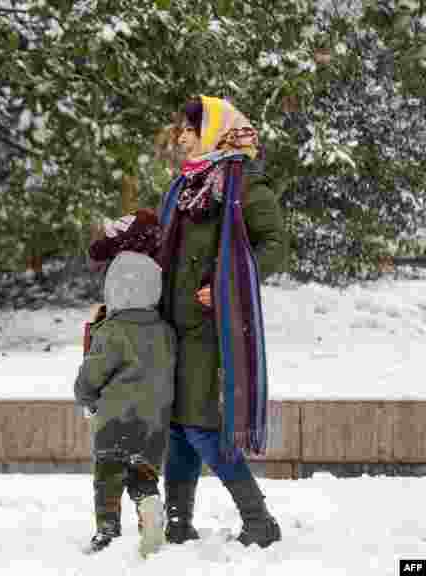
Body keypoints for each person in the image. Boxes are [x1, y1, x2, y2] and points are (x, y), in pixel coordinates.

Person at [158, 95, 287, 548]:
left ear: (212, 131)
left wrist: (226, 285)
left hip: (215, 329)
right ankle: (177, 522)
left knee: (203, 427)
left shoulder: (245, 183)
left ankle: (259, 521)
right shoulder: (184, 185)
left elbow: (273, 246)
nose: (182, 138)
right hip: (171, 325)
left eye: (190, 130)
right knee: (177, 426)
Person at [75, 210, 176, 557]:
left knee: (108, 475)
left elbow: (93, 373)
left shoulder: (112, 331)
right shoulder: (165, 332)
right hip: (154, 423)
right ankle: (149, 507)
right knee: (143, 475)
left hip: (114, 419)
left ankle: (107, 528)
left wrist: (85, 396)